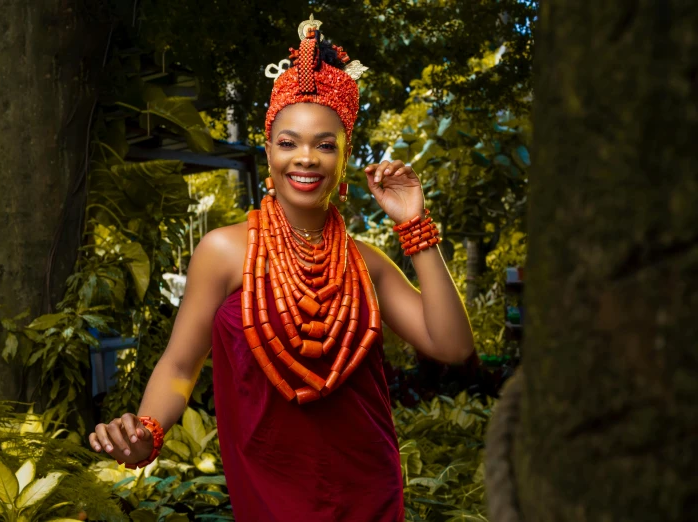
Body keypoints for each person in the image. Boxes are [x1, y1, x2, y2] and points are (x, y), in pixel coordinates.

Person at [89, 16, 475, 522]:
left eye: (325, 143)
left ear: (345, 155)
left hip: (369, 490)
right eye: (289, 142)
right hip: (270, 494)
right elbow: (180, 367)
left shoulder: (366, 263)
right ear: (268, 150)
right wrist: (149, 433)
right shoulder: (224, 251)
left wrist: (414, 227)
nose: (306, 159)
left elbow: (453, 346)